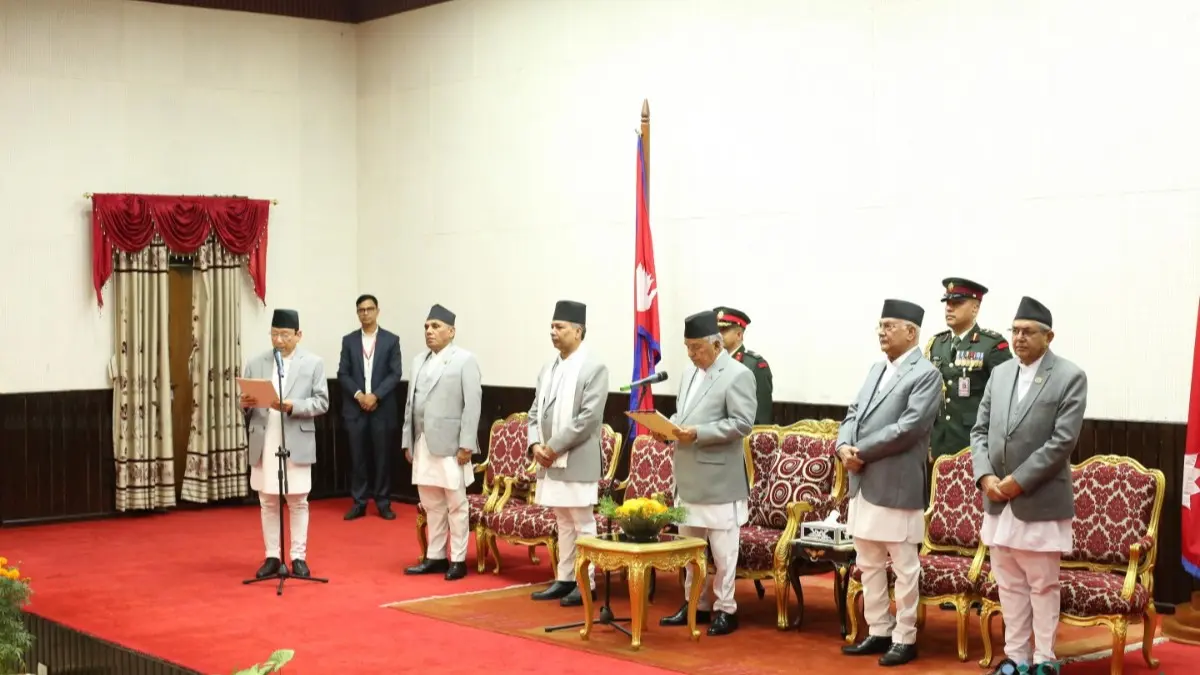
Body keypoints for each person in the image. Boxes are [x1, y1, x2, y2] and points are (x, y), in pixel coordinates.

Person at [972, 297, 1086, 675]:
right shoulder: (1000, 374)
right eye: (1015, 331)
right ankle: (1016, 657)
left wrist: (1017, 482)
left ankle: (1044, 660)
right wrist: (985, 476)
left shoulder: (1069, 376)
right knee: (1009, 585)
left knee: (1042, 585)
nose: (1019, 338)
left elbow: (1062, 442)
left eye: (1028, 332)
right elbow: (979, 431)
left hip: (1038, 499)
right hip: (997, 500)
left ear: (1048, 336)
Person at [837, 299, 941, 667]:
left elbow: (909, 428)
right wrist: (842, 445)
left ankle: (905, 635)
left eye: (889, 325)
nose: (881, 332)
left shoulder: (926, 374)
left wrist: (860, 449)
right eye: (879, 326)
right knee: (867, 560)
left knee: (904, 564)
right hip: (863, 480)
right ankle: (879, 628)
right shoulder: (875, 369)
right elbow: (852, 413)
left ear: (911, 332)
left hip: (896, 482)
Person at [657, 310, 756, 637]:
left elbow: (741, 423)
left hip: (719, 479)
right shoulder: (689, 373)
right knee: (690, 549)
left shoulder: (738, 374)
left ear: (716, 345)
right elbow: (686, 415)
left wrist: (697, 432)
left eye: (696, 347)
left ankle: (726, 608)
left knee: (724, 553)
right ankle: (694, 604)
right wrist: (668, 428)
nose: (691, 354)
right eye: (687, 347)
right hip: (688, 477)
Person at [526, 300, 610, 607]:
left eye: (559, 327)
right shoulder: (548, 368)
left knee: (582, 521)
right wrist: (535, 445)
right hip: (549, 459)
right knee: (562, 519)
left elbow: (588, 419)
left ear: (579, 331)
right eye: (552, 326)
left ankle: (585, 583)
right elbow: (534, 411)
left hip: (577, 457)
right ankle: (564, 578)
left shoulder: (594, 368)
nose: (553, 332)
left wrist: (553, 446)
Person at [241, 309, 329, 580]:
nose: (278, 340)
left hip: (295, 436)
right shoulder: (255, 363)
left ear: (298, 335)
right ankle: (272, 555)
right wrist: (244, 404)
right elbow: (245, 405)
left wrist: (294, 406)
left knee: (298, 500)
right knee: (267, 500)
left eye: (285, 335)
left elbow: (322, 402)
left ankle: (298, 556)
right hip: (265, 439)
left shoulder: (313, 363)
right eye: (274, 334)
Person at [402, 304, 482, 581]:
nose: (429, 331)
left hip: (451, 445)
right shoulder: (418, 361)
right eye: (426, 326)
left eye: (435, 326)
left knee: (456, 504)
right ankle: (436, 555)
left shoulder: (464, 359)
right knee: (431, 502)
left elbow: (472, 406)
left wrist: (467, 445)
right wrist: (407, 440)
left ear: (451, 331)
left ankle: (458, 559)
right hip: (423, 441)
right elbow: (410, 404)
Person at [926, 278, 1012, 462]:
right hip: (941, 444)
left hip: (975, 445)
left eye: (957, 303)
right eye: (947, 303)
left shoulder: (993, 345)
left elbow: (1005, 400)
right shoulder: (936, 345)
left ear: (975, 308)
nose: (949, 308)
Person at [337, 294, 404, 521]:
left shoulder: (391, 340)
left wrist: (375, 395)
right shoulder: (348, 341)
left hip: (381, 409)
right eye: (361, 310)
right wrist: (359, 396)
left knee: (382, 457)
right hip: (355, 409)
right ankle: (359, 502)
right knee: (358, 458)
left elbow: (395, 373)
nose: (365, 313)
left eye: (369, 309)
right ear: (357, 313)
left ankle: (384, 502)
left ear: (377, 311)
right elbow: (342, 374)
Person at [714, 306, 774, 425]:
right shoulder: (712, 364)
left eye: (723, 330)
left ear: (739, 335)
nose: (718, 335)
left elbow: (761, 416)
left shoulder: (755, 365)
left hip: (742, 439)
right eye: (716, 331)